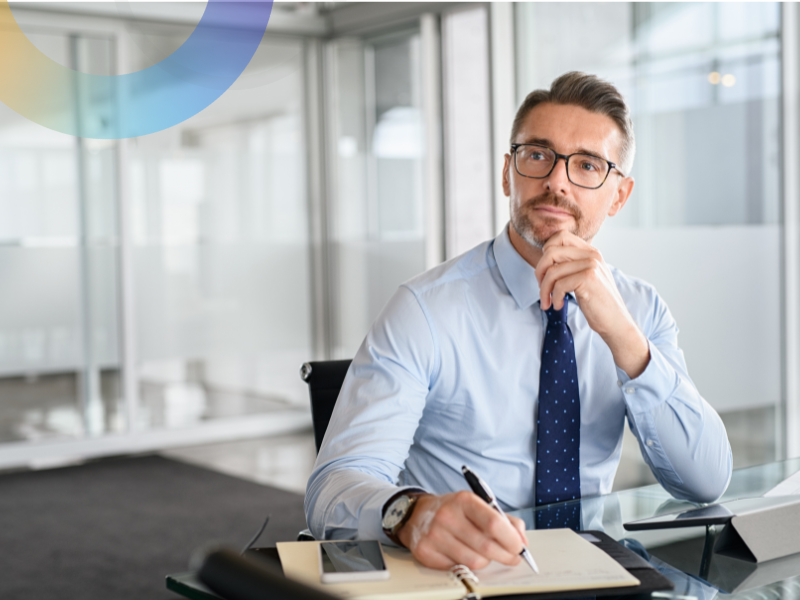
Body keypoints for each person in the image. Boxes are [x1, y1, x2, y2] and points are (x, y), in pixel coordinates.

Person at [305, 72, 732, 572]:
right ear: (508, 173)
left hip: (594, 572)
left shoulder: (639, 308)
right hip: (468, 578)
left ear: (619, 195)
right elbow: (334, 486)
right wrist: (411, 513)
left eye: (588, 165)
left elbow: (705, 481)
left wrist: (622, 335)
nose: (557, 181)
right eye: (538, 155)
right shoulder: (424, 309)